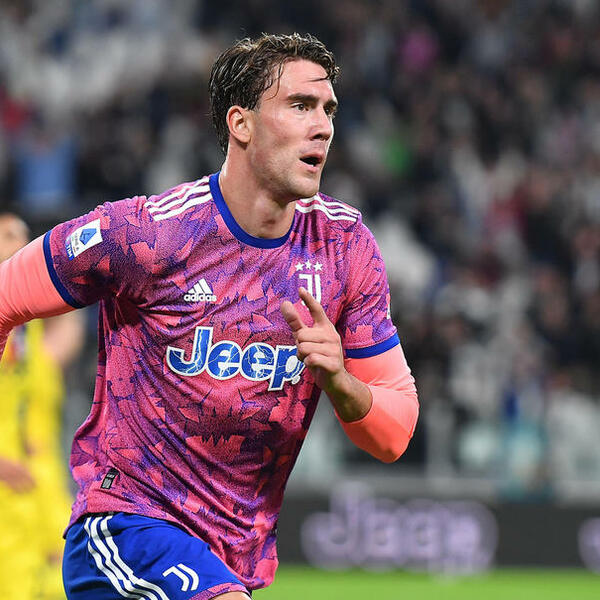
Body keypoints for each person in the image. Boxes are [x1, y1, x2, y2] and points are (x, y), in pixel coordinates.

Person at [0, 33, 419, 600]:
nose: (322, 126)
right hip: (127, 527)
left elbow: (394, 434)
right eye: (300, 105)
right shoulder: (149, 235)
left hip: (233, 556)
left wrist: (342, 383)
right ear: (241, 124)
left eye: (328, 110)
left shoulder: (344, 248)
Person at [0, 212, 83, 600]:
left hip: (35, 478)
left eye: (23, 235)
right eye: (7, 234)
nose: (19, 242)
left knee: (61, 582)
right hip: (8, 477)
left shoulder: (26, 329)